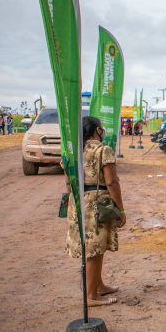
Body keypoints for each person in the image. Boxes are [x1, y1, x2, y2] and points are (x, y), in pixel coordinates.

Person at [66, 116, 126, 306]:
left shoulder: (74, 151)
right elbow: (111, 181)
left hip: (78, 201)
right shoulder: (103, 151)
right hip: (97, 203)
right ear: (98, 130)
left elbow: (68, 180)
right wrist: (121, 209)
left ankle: (98, 286)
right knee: (93, 249)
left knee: (95, 248)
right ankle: (91, 295)